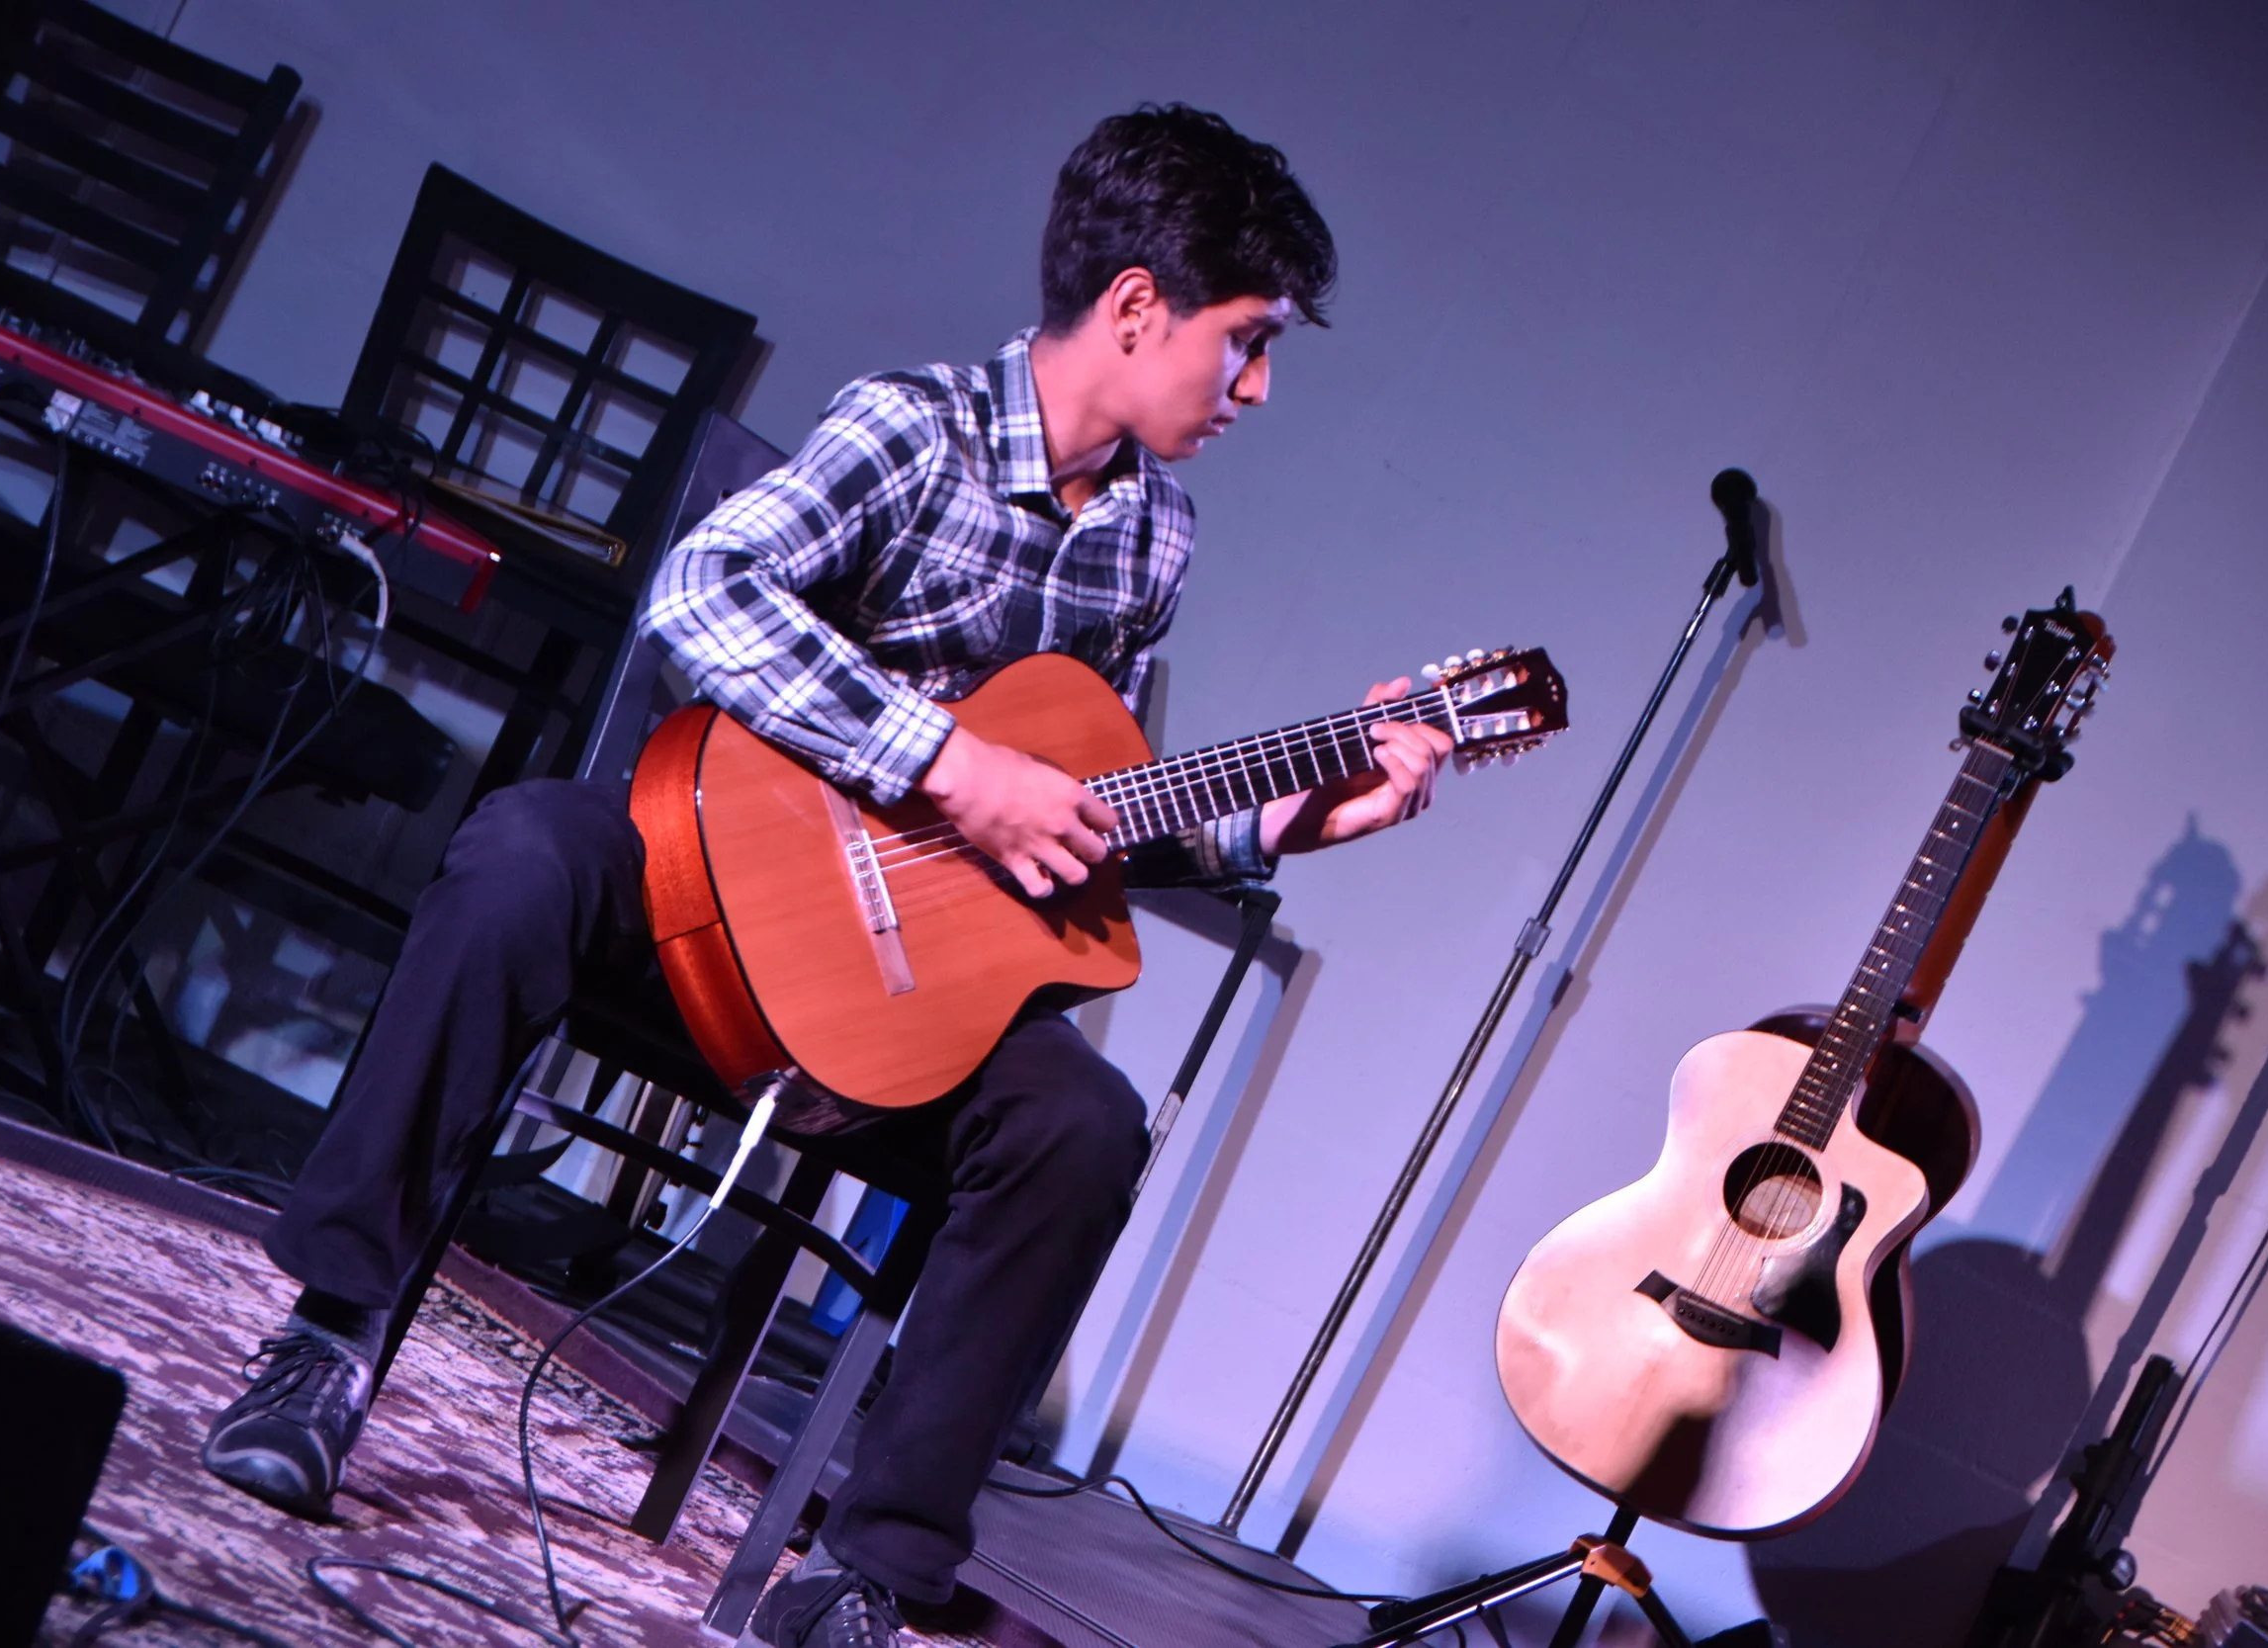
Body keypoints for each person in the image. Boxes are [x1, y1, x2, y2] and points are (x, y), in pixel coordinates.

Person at [199, 104, 1452, 1648]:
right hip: (711, 909)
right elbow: (702, 590)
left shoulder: (1155, 539)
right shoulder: (912, 429)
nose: (1256, 388)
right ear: (1138, 306)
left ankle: (866, 1571)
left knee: (1083, 1124)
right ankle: (330, 1336)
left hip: (902, 989)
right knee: (524, 848)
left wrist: (1289, 824)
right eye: (1247, 341)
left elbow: (1089, 804)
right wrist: (950, 764)